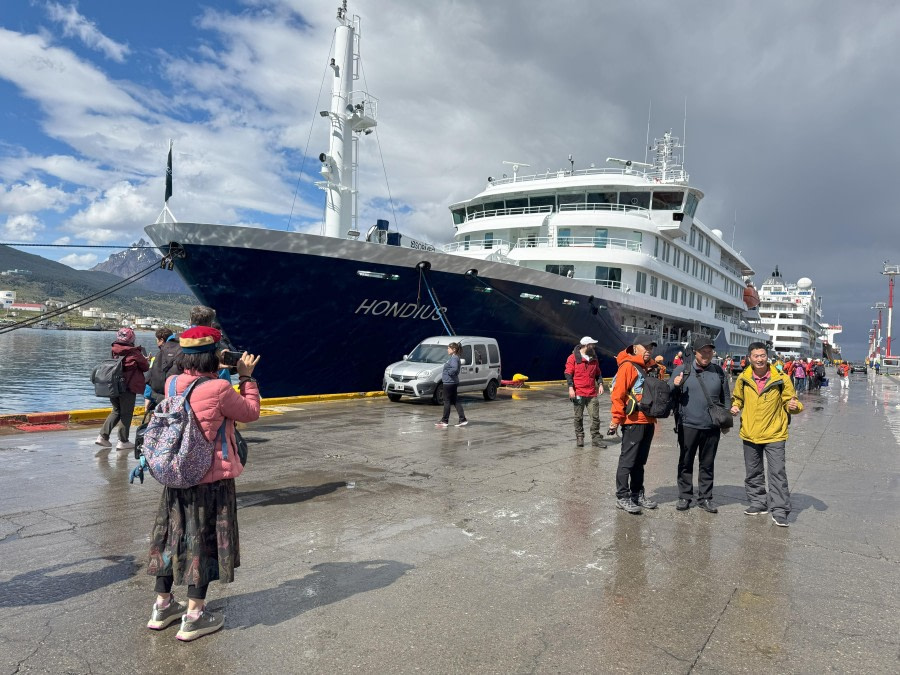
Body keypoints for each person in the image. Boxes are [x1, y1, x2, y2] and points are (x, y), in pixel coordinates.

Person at [146, 326, 260, 641]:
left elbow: (191, 383)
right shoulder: (220, 389)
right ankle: (194, 616)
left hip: (177, 477)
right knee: (204, 541)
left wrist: (211, 365)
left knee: (171, 538)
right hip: (210, 481)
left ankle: (162, 605)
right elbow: (250, 413)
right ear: (213, 355)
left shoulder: (172, 384)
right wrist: (246, 377)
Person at [730, 342, 803, 527]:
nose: (760, 359)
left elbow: (791, 400)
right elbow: (737, 397)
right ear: (750, 358)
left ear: (767, 356)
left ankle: (780, 510)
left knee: (777, 473)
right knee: (753, 471)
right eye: (756, 356)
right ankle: (758, 503)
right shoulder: (743, 378)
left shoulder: (781, 378)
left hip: (775, 433)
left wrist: (794, 407)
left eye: (763, 355)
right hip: (750, 432)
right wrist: (736, 405)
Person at [671, 336, 730, 513]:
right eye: (703, 351)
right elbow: (668, 392)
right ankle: (684, 496)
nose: (706, 354)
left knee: (707, 463)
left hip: (712, 426)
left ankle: (705, 497)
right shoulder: (683, 370)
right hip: (688, 425)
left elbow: (726, 397)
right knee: (685, 462)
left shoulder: (719, 372)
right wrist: (674, 385)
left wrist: (725, 420)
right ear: (695, 352)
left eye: (709, 351)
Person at [608, 334, 661, 514]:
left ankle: (637, 494)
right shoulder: (628, 367)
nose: (649, 351)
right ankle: (622, 497)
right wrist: (615, 420)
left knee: (640, 462)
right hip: (633, 421)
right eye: (646, 347)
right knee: (627, 461)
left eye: (651, 348)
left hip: (648, 420)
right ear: (635, 347)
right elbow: (618, 395)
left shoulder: (651, 367)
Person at [95, 327, 149, 451]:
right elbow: (145, 367)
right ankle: (123, 441)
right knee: (126, 413)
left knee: (116, 410)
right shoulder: (135, 352)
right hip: (128, 387)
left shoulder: (114, 349)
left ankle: (103, 436)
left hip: (113, 385)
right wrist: (144, 359)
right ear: (131, 338)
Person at [564, 336, 607, 448]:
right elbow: (568, 373)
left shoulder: (594, 358)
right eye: (592, 345)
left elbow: (598, 373)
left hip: (592, 393)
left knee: (595, 417)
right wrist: (570, 388)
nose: (594, 347)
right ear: (587, 346)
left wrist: (601, 384)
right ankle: (580, 436)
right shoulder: (572, 358)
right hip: (578, 392)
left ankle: (596, 439)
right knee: (578, 417)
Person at [435, 342, 467, 428]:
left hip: (449, 383)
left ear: (454, 350)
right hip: (452, 382)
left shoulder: (454, 358)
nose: (447, 349)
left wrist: (449, 373)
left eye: (448, 348)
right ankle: (462, 419)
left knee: (447, 401)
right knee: (455, 401)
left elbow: (455, 369)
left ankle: (445, 420)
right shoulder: (455, 357)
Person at [147, 327, 180, 405]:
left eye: (157, 340)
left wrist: (148, 397)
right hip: (176, 393)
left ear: (161, 340)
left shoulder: (161, 353)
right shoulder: (179, 349)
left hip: (160, 395)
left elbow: (149, 378)